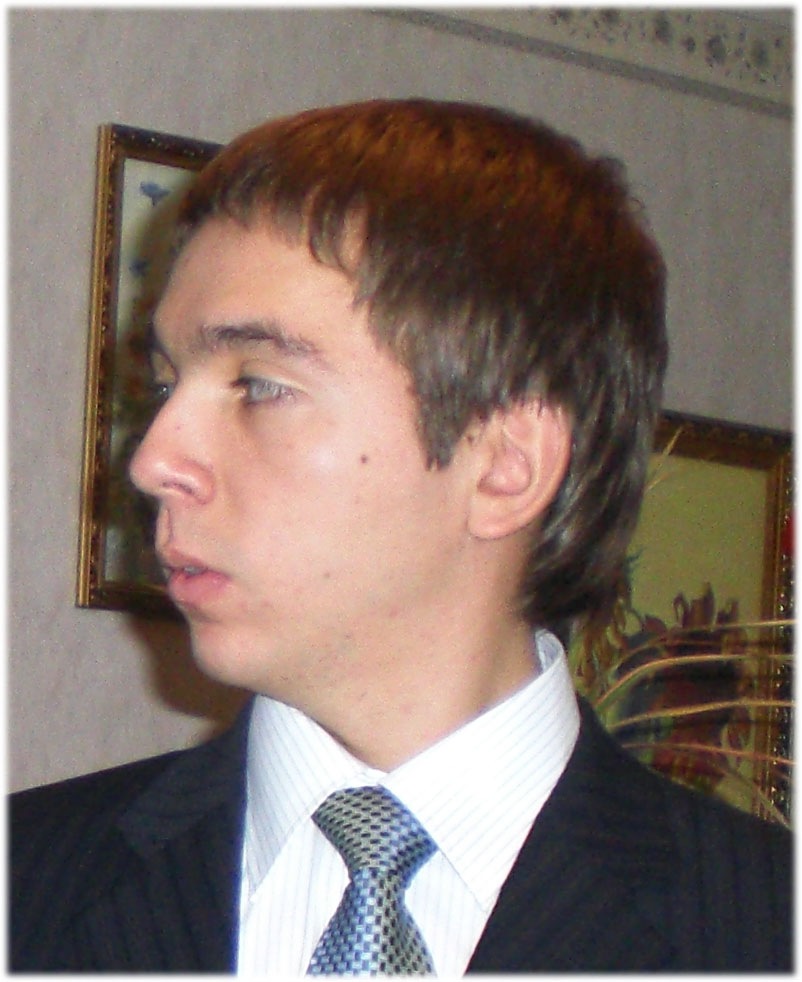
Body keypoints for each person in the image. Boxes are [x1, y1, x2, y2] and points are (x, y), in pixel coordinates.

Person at [11, 99, 791, 974]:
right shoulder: (25, 888)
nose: (154, 461)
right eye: (166, 387)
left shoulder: (763, 928)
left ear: (505, 465)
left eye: (259, 385)